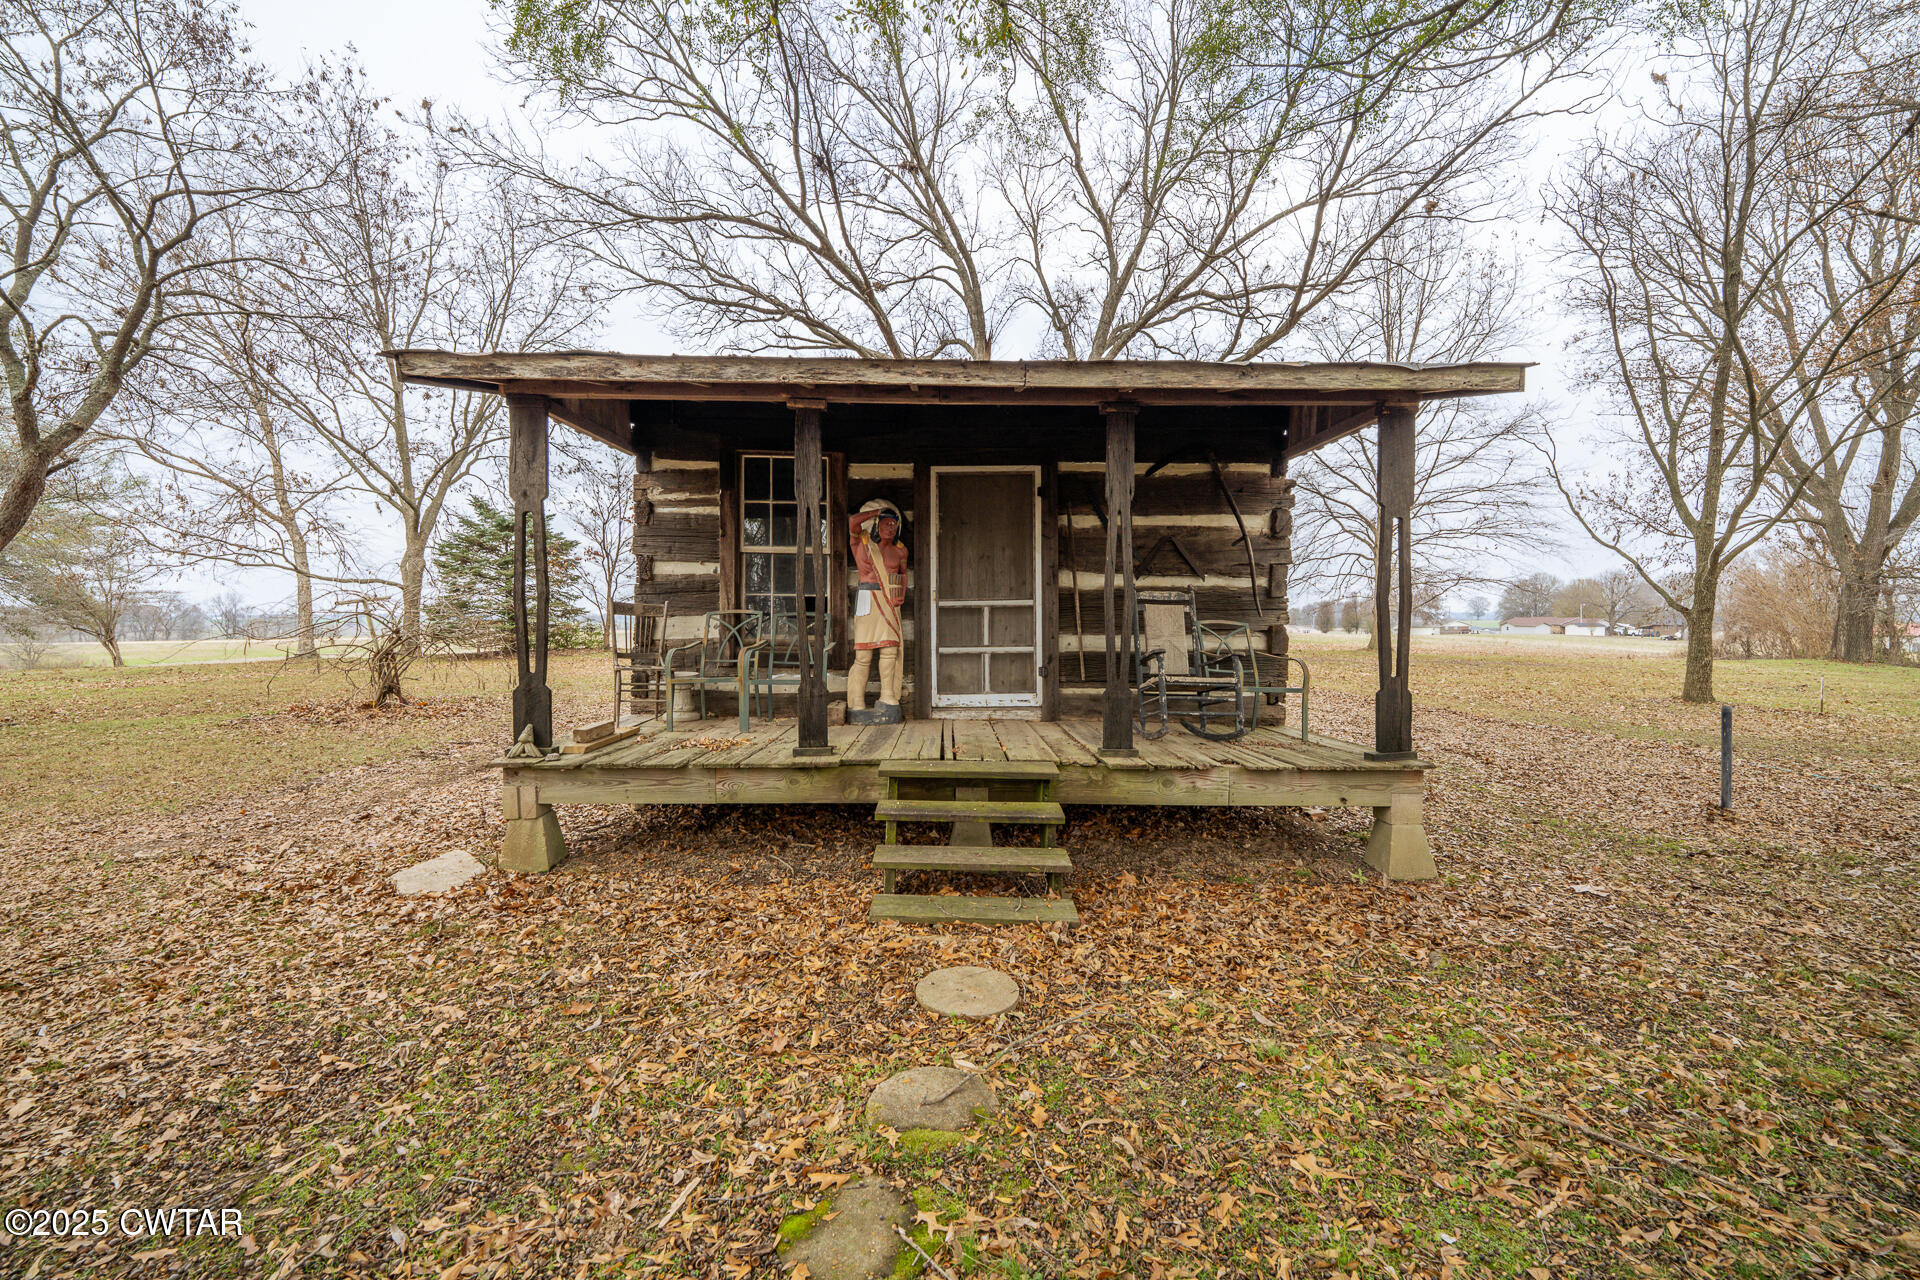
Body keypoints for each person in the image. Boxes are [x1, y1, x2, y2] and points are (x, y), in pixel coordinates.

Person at [847, 498, 908, 722]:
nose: (890, 528)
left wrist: (901, 594)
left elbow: (902, 575)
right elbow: (853, 521)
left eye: (894, 523)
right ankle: (856, 702)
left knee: (889, 651)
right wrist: (877, 511)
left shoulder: (900, 551)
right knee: (863, 655)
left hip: (889, 601)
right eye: (885, 522)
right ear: (874, 523)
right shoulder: (861, 544)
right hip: (867, 598)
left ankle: (889, 696)